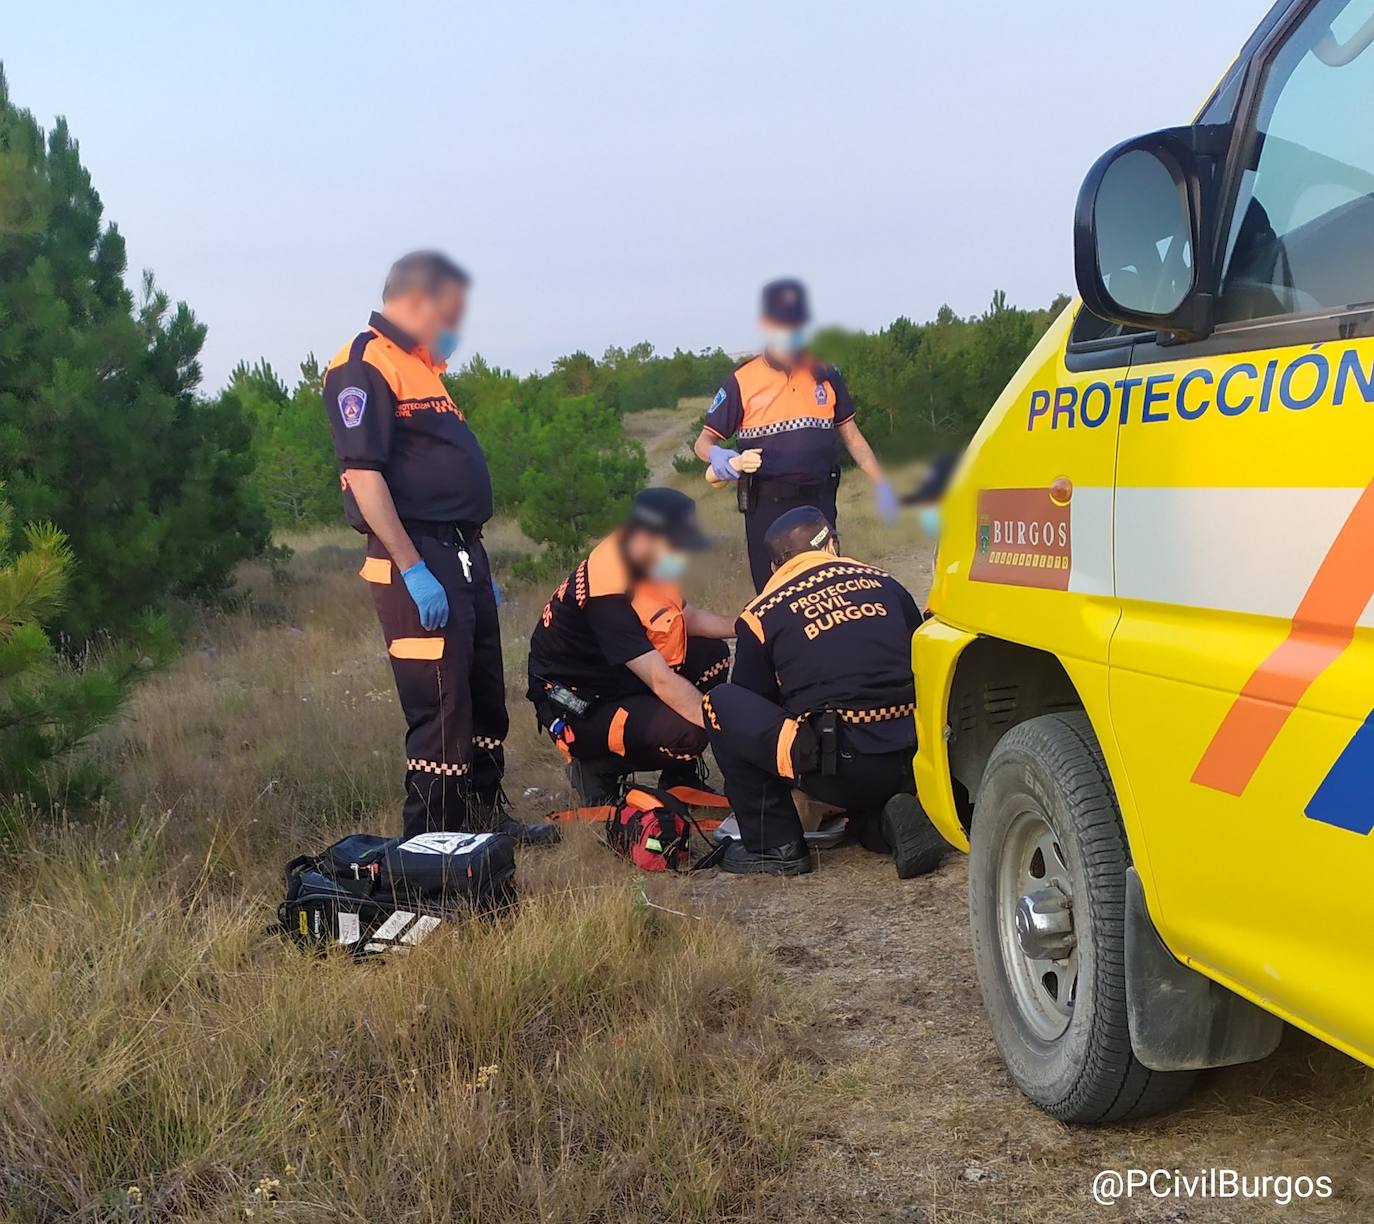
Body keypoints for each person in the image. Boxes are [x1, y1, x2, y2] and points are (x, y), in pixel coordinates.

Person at [322, 250, 558, 845]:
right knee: (441, 706)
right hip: (415, 554)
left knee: (481, 695)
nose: (455, 324)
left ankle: (483, 821)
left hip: (461, 552)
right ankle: (433, 848)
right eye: (450, 311)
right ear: (420, 300)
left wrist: (474, 561)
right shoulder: (363, 364)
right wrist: (414, 570)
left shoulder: (424, 367)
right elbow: (366, 477)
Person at [704, 506, 945, 877]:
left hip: (841, 767)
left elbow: (755, 710)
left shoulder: (761, 614)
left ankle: (775, 844)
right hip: (918, 754)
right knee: (868, 808)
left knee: (721, 704)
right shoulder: (886, 584)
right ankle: (888, 820)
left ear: (774, 568)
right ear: (831, 544)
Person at [528, 488, 736, 805]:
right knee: (687, 733)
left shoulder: (648, 558)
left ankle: (679, 775)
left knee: (714, 655)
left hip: (614, 672)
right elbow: (659, 679)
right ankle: (596, 767)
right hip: (573, 698)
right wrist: (726, 733)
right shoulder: (607, 593)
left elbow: (686, 616)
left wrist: (749, 624)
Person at [693, 278, 897, 592]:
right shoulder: (742, 380)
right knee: (776, 592)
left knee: (826, 588)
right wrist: (720, 457)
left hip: (819, 501)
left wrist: (882, 482)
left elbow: (852, 437)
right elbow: (703, 442)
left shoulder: (826, 374)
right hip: (768, 504)